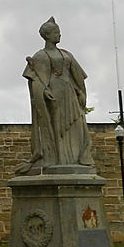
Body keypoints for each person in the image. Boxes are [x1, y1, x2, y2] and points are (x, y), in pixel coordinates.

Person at [16, 17, 94, 174]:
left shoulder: (66, 54)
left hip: (69, 94)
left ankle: (78, 158)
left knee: (78, 124)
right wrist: (43, 91)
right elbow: (35, 79)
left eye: (59, 32)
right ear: (47, 35)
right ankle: (58, 158)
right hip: (54, 96)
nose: (59, 35)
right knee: (57, 127)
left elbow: (77, 76)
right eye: (56, 32)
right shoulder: (39, 56)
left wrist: (81, 93)